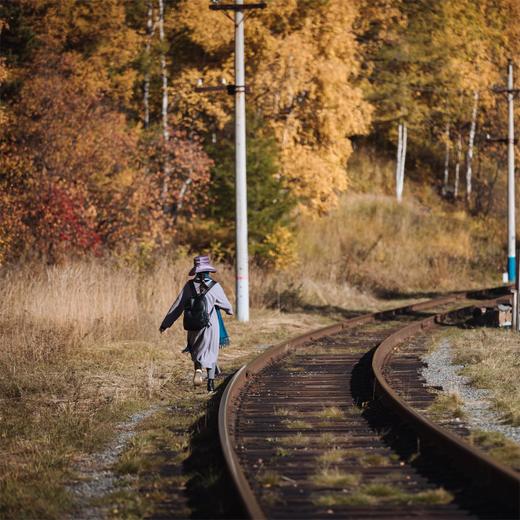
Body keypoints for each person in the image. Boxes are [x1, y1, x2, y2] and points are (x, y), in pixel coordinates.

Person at [159, 255, 233, 393]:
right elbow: (227, 306)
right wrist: (229, 311)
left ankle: (198, 369)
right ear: (208, 271)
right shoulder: (215, 286)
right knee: (211, 352)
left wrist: (165, 324)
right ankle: (210, 383)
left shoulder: (189, 286)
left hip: (193, 325)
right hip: (210, 325)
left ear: (196, 271)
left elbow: (177, 306)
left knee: (197, 349)